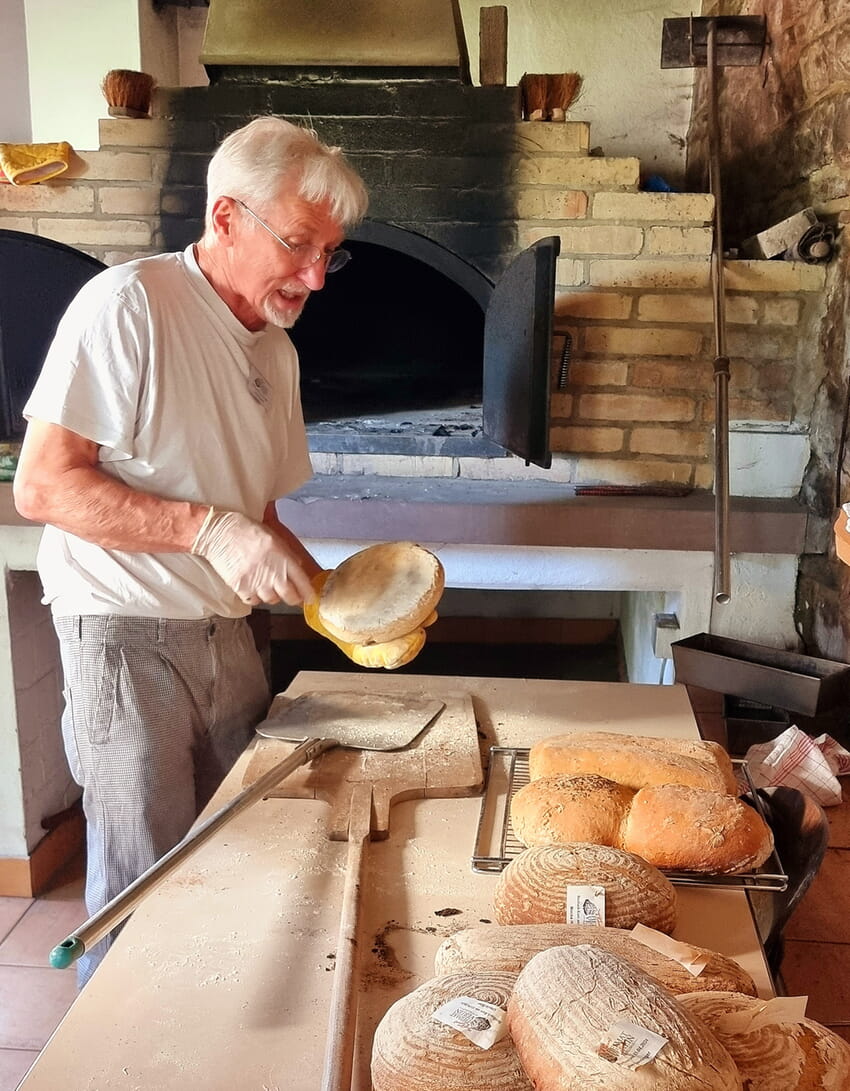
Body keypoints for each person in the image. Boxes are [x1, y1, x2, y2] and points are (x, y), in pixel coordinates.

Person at [13, 116, 369, 986]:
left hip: (230, 638)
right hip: (125, 639)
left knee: (241, 855)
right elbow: (44, 487)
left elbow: (260, 512)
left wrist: (333, 596)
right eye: (298, 244)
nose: (316, 276)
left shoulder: (275, 354)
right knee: (142, 884)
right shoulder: (130, 305)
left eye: (332, 252)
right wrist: (210, 530)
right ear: (226, 217)